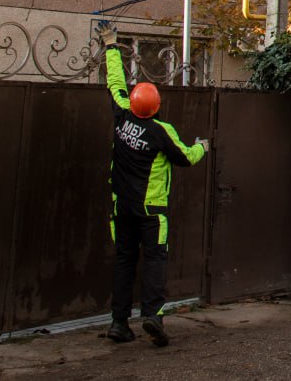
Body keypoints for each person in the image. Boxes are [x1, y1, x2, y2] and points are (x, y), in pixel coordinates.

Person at [98, 22, 209, 348]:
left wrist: (111, 45)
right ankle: (153, 316)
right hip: (152, 210)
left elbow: (115, 81)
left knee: (124, 260)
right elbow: (185, 157)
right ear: (157, 107)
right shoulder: (161, 132)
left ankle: (119, 322)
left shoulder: (122, 114)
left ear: (133, 102)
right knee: (156, 260)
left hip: (122, 207)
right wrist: (203, 146)